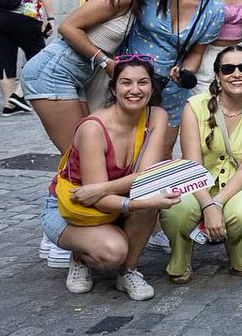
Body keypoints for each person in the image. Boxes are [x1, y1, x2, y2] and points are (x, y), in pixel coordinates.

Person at [23, 0, 172, 267]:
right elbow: (68, 27)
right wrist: (105, 61)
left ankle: (76, 225)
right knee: (74, 156)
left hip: (75, 77)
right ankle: (59, 229)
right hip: (54, 71)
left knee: (81, 157)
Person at [39, 56, 179, 300]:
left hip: (105, 198)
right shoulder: (93, 128)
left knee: (149, 197)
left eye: (143, 82)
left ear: (151, 87)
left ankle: (128, 272)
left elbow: (146, 179)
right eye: (126, 83)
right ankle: (80, 256)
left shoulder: (157, 116)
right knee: (113, 252)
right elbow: (96, 200)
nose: (135, 90)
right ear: (114, 89)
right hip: (72, 210)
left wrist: (103, 188)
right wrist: (133, 201)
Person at [161, 45, 242, 282]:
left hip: (235, 186)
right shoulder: (194, 106)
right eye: (228, 69)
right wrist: (208, 205)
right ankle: (180, 254)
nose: (237, 74)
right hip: (195, 184)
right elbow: (192, 165)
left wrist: (218, 203)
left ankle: (239, 250)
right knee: (176, 208)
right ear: (218, 76)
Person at [127, 0, 226, 157]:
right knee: (124, 150)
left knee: (161, 154)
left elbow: (197, 52)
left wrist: (185, 73)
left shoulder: (214, 10)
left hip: (170, 88)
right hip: (131, 81)